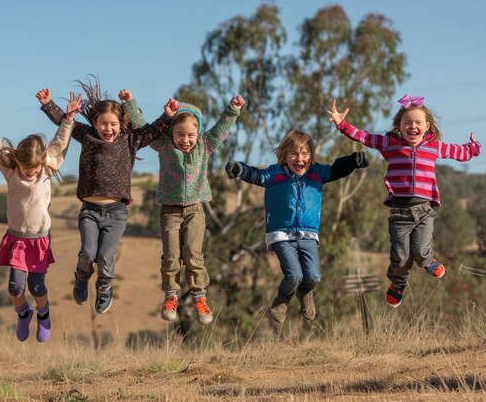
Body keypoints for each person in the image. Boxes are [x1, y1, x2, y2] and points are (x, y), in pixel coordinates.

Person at [36, 79, 176, 315]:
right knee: (88, 253)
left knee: (105, 256)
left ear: (121, 125)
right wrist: (49, 104)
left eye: (113, 124)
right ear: (95, 123)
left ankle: (104, 287)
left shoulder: (130, 141)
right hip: (90, 211)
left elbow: (152, 129)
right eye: (103, 124)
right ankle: (81, 278)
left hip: (116, 213)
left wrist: (168, 116)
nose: (108, 129)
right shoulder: (87, 136)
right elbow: (64, 122)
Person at [327, 95, 481, 307]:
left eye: (418, 123)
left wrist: (473, 148)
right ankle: (397, 284)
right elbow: (364, 137)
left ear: (427, 126)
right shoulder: (389, 144)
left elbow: (459, 152)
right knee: (400, 257)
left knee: (420, 252)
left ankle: (427, 260)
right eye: (407, 122)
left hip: (425, 210)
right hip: (399, 212)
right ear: (399, 126)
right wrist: (341, 123)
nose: (413, 126)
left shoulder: (434, 146)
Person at [123, 92, 245, 325]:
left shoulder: (205, 145)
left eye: (190, 134)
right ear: (171, 133)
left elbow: (221, 128)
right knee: (171, 256)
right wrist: (130, 104)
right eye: (180, 134)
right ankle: (171, 296)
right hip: (169, 211)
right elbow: (143, 128)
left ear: (198, 133)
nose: (185, 139)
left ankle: (200, 297)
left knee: (192, 254)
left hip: (194, 210)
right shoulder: (163, 146)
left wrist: (233, 108)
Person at [225, 130, 369, 322]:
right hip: (281, 235)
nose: (299, 158)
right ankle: (282, 299)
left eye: (304, 153)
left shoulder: (317, 173)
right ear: (284, 155)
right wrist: (240, 169)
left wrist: (353, 161)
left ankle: (304, 293)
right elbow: (255, 175)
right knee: (294, 275)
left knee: (314, 276)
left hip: (308, 235)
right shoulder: (274, 174)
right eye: (293, 153)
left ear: (311, 156)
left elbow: (337, 168)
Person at [0, 93, 80, 342]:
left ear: (41, 162)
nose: (30, 172)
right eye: (26, 168)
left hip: (39, 239)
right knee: (15, 287)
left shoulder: (47, 168)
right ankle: (23, 313)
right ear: (18, 163)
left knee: (38, 286)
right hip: (17, 238)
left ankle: (43, 313)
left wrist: (69, 118)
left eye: (34, 168)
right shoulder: (11, 172)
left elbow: (59, 142)